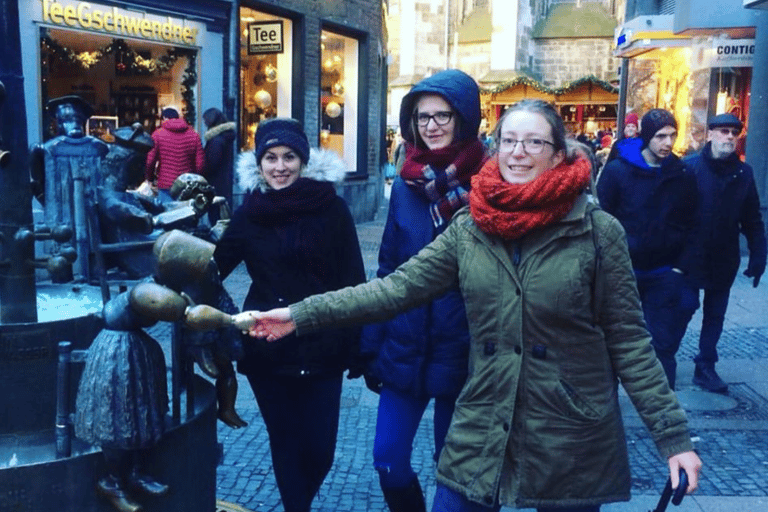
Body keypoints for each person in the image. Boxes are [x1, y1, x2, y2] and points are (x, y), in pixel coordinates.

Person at [245, 100, 702, 512]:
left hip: (570, 426)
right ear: (495, 147)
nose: (518, 152)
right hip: (485, 415)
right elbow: (395, 288)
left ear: (557, 153)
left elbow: (629, 340)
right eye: (508, 141)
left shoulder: (598, 232)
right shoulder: (472, 225)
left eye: (533, 142)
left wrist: (672, 438)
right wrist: (299, 315)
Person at [212, 118, 366, 512]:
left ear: (303, 160)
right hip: (268, 347)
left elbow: (354, 280)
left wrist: (358, 345)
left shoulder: (331, 209)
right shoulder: (249, 213)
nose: (280, 167)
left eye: (289, 157)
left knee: (320, 451)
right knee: (285, 443)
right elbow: (214, 267)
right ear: (259, 164)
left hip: (322, 345)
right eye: (270, 158)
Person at [361, 68, 487, 512]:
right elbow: (390, 268)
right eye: (421, 117)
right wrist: (371, 342)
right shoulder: (406, 187)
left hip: (466, 350)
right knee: (388, 459)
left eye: (442, 116)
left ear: (465, 118)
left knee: (454, 470)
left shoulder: (491, 182)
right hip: (407, 345)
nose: (431, 125)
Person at [597, 108, 698, 390]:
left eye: (672, 136)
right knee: (612, 341)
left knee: (661, 344)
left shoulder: (682, 174)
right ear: (646, 137)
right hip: (623, 270)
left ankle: (662, 412)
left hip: (664, 271)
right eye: (661, 136)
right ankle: (607, 406)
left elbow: (692, 222)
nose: (668, 143)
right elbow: (602, 218)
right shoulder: (619, 171)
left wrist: (679, 268)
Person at [680, 113, 767, 393]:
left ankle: (705, 367)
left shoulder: (744, 173)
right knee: (682, 307)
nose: (729, 137)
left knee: (715, 315)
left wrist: (758, 254)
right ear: (710, 135)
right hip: (690, 256)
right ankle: (662, 359)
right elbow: (671, 214)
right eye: (723, 132)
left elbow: (752, 218)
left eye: (734, 132)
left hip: (723, 257)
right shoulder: (690, 168)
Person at [144, 107, 205, 199]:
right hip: (187, 186)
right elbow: (200, 164)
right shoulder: (194, 135)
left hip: (166, 184)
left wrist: (150, 178)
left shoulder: (157, 135)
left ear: (164, 118)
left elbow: (150, 161)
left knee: (166, 212)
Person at [202, 107, 236, 209]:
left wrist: (203, 171)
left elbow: (212, 163)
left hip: (216, 182)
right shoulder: (225, 136)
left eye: (205, 119)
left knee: (216, 213)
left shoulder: (216, 140)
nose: (204, 122)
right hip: (224, 181)